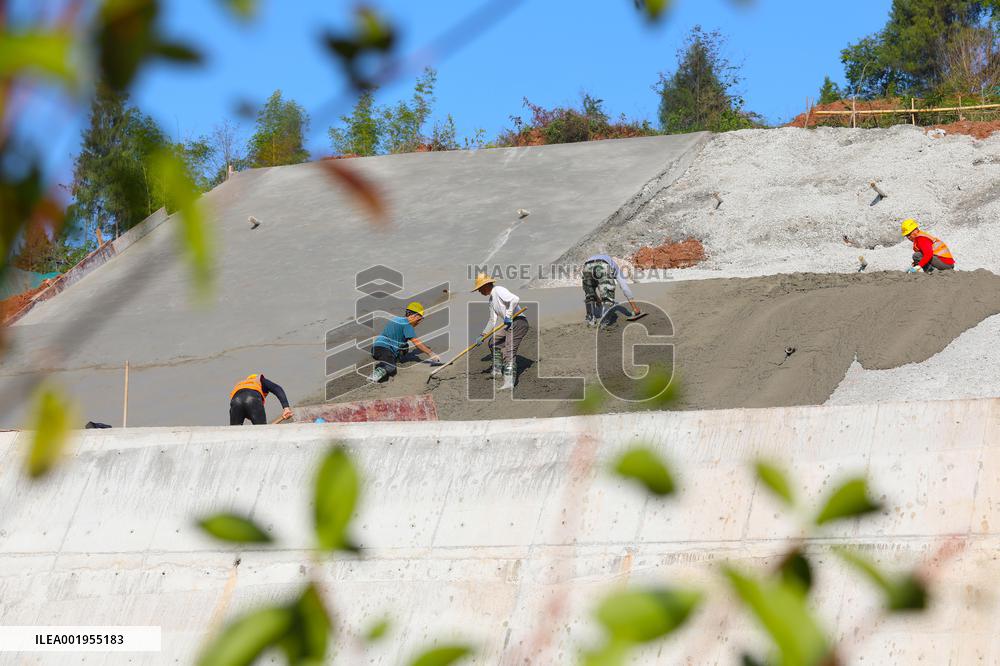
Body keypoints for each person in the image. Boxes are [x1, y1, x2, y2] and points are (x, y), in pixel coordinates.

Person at [472, 273, 528, 389]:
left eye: (479, 289)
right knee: (493, 342)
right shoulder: (491, 300)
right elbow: (492, 320)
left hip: (518, 321)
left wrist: (508, 315)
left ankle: (509, 382)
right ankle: (497, 370)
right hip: (509, 324)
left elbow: (515, 299)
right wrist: (483, 334)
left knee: (509, 350)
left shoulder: (498, 290)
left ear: (486, 285)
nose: (479, 291)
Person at [369, 301, 440, 383]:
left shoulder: (397, 319)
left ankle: (393, 359)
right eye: (420, 319)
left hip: (377, 348)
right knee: (391, 367)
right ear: (415, 316)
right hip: (383, 349)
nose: (419, 322)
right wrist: (431, 354)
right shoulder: (407, 324)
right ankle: (373, 377)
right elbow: (416, 342)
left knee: (404, 345)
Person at [582, 254, 639, 325]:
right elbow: (624, 288)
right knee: (607, 296)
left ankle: (590, 319)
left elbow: (592, 290)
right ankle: (604, 320)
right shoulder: (615, 267)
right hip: (603, 265)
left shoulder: (598, 258)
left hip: (587, 266)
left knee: (589, 293)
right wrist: (635, 308)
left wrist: (598, 300)